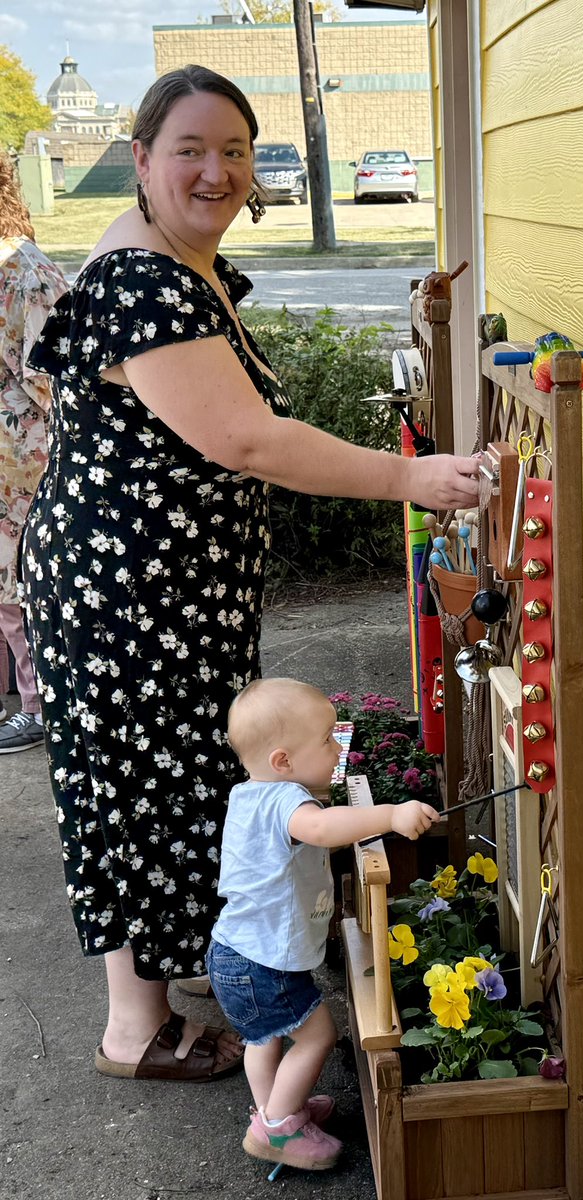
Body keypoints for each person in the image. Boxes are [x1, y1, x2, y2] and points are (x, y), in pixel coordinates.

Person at [19, 64, 479, 1084]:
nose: (217, 171)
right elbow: (247, 440)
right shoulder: (144, 279)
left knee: (174, 778)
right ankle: (132, 1031)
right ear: (139, 160)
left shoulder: (176, 264)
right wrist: (411, 476)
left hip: (159, 589)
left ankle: (162, 988)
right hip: (128, 595)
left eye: (235, 150)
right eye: (189, 149)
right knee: (139, 792)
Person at [208, 677, 439, 1170]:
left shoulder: (249, 796)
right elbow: (321, 827)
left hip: (234, 952)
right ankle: (277, 1128)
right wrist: (391, 815)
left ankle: (274, 1110)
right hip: (262, 963)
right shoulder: (289, 802)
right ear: (283, 762)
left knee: (262, 1038)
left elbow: (306, 842)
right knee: (316, 1035)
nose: (339, 749)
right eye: (328, 739)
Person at [0, 153, 67, 752]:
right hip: (9, 462)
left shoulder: (28, 276)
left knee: (19, 588)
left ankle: (40, 708)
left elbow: (58, 384)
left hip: (29, 463)